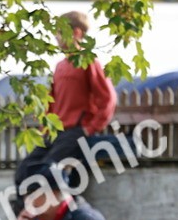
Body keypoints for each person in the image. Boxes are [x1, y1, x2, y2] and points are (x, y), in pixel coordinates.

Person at [13, 10, 117, 197]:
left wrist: (89, 128)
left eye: (60, 32)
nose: (56, 37)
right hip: (54, 132)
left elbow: (108, 98)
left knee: (48, 173)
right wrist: (46, 126)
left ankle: (56, 217)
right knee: (24, 172)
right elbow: (52, 103)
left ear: (76, 33)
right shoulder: (60, 65)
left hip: (74, 132)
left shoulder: (88, 61)